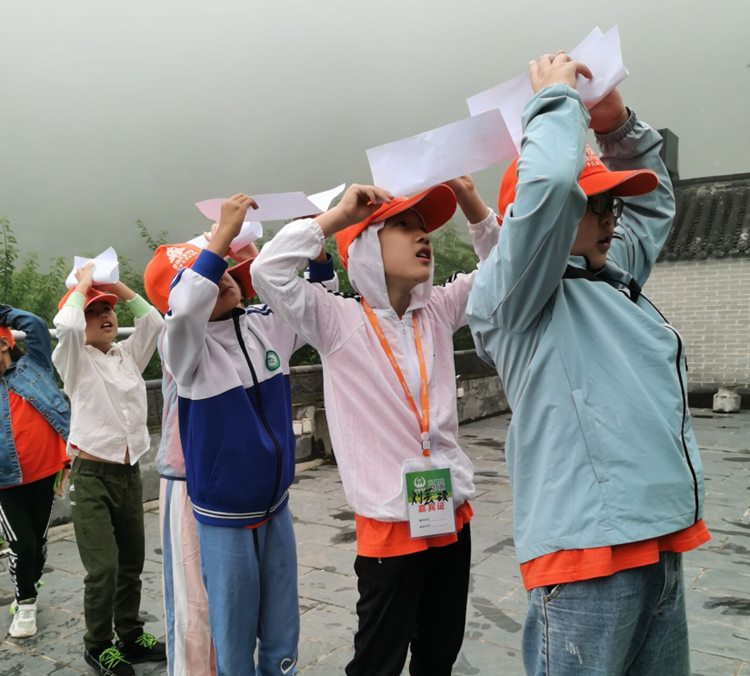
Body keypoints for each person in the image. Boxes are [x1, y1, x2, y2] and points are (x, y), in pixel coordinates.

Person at [466, 52, 709, 675]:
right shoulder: (516, 296)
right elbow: (547, 189)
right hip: (586, 565)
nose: (607, 218)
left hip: (658, 548)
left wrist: (616, 127)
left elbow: (653, 208)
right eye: (592, 205)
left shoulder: (608, 274)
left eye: (609, 206)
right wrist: (556, 102)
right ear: (534, 224)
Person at [251, 177, 498, 676]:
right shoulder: (337, 322)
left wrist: (473, 203)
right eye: (404, 226)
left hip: (450, 512)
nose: (422, 236)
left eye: (424, 227)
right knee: (378, 661)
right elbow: (268, 272)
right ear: (364, 247)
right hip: (389, 525)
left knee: (439, 652)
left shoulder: (438, 311)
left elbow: (506, 267)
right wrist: (338, 218)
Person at [159, 195, 336, 676]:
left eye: (226, 272)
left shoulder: (265, 326)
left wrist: (318, 253)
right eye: (211, 277)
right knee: (233, 636)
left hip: (276, 506)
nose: (223, 279)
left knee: (282, 629)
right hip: (224, 517)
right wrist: (220, 237)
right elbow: (186, 305)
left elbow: (317, 307)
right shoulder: (186, 356)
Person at [52, 266, 167, 676]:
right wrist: (83, 284)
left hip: (128, 472)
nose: (105, 316)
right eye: (94, 311)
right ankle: (98, 645)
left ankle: (130, 635)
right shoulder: (74, 359)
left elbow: (153, 321)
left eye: (109, 310)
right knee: (103, 568)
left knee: (131, 562)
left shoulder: (126, 355)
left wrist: (113, 282)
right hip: (91, 476)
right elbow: (64, 328)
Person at [0, 305, 70, 638]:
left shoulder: (34, 366)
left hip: (44, 475)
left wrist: (2, 313)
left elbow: (36, 326)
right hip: (5, 483)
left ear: (4, 344)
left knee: (39, 544)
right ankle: (25, 602)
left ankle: (30, 584)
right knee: (22, 544)